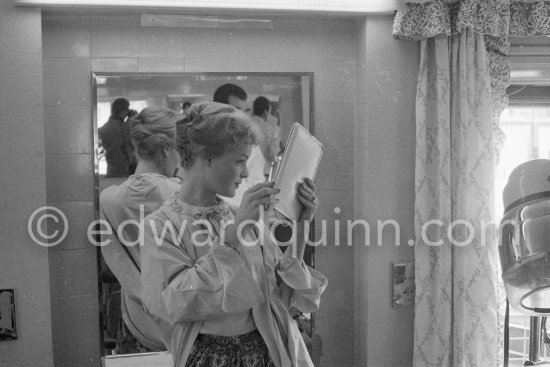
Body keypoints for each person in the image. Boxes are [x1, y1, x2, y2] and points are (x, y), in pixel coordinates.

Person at [140, 102, 327, 367]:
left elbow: (282, 297)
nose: (247, 172)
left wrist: (301, 225)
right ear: (207, 157)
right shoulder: (160, 226)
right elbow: (177, 304)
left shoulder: (241, 215)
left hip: (268, 355)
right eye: (240, 160)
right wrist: (234, 236)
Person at [100, 106, 184, 353]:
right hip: (183, 328)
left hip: (136, 326)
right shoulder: (182, 196)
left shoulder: (109, 199)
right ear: (167, 148)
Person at [213, 84, 267, 207]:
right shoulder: (204, 144)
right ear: (219, 109)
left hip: (246, 214)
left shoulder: (251, 146)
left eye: (245, 111)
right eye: (237, 110)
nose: (242, 116)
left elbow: (257, 187)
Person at [98, 98, 137, 177]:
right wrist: (134, 120)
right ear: (123, 111)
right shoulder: (124, 127)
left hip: (111, 171)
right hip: (125, 172)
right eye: (127, 110)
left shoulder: (104, 128)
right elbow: (129, 148)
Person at [252, 96, 282, 177]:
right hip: (263, 172)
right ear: (266, 112)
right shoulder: (271, 129)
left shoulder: (246, 123)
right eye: (270, 111)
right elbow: (273, 156)